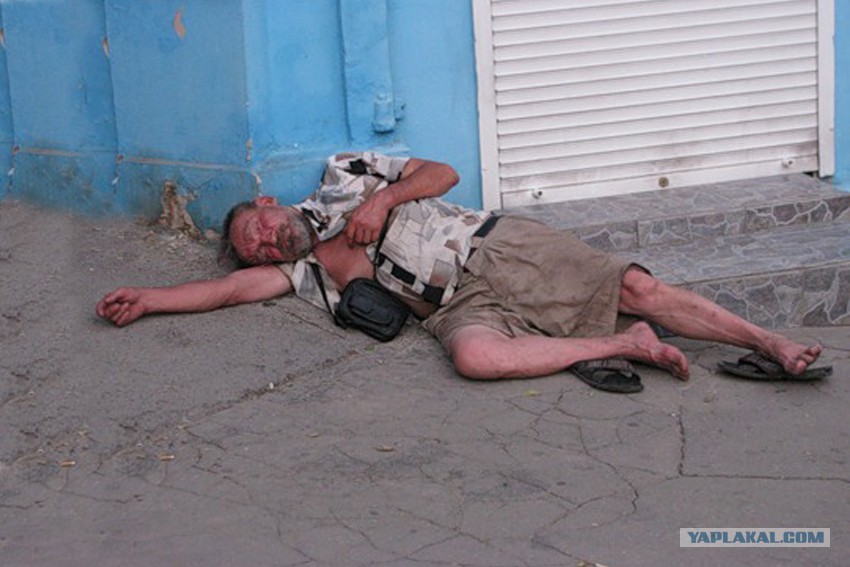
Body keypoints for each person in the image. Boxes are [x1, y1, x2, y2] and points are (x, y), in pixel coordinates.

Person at [96, 152, 826, 393]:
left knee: (637, 287)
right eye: (255, 250)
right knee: (474, 358)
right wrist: (150, 298)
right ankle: (625, 343)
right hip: (455, 307)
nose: (261, 245)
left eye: (256, 230)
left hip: (492, 249)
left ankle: (771, 343)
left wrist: (382, 201)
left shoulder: (344, 175)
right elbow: (224, 289)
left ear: (266, 204)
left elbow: (440, 171)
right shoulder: (304, 275)